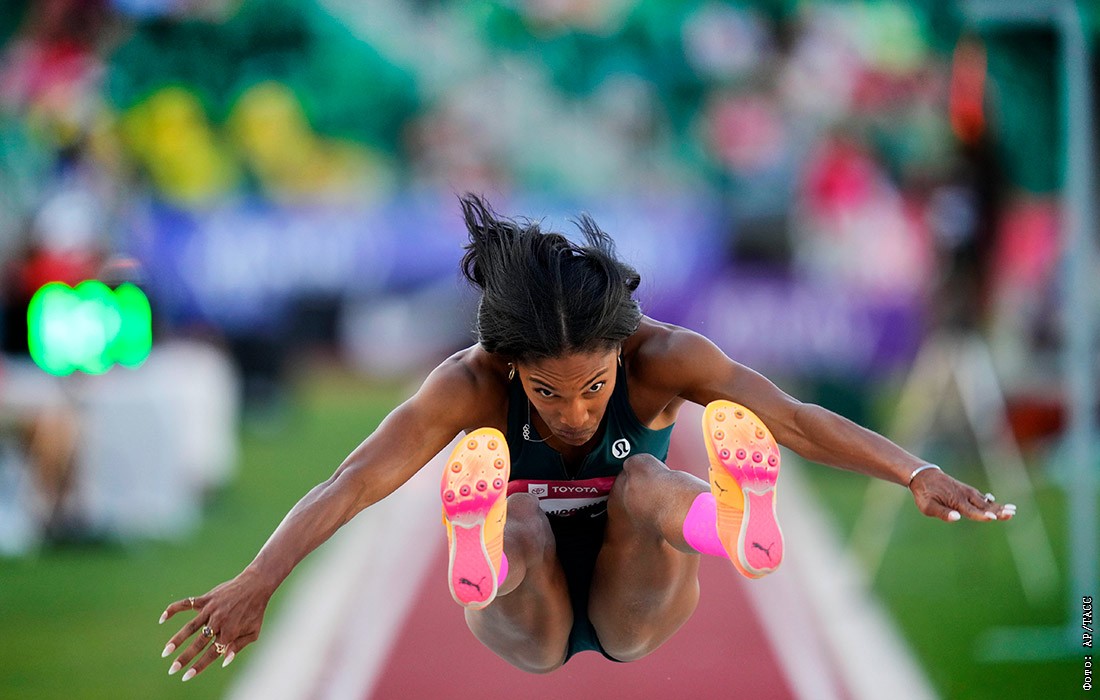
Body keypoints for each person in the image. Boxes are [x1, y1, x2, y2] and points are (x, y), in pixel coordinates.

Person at [158, 194, 1015, 680]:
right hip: (526, 614)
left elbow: (791, 419)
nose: (572, 413)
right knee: (518, 519)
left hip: (636, 595)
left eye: (595, 387)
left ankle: (730, 526)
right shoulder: (468, 383)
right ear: (509, 365)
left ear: (622, 348)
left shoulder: (667, 357)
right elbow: (351, 480)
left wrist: (915, 470)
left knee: (644, 486)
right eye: (547, 393)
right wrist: (260, 579)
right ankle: (484, 554)